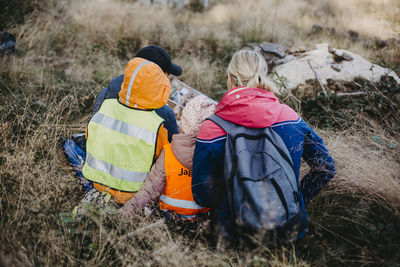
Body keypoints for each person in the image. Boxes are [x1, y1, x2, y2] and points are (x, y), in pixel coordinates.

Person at [191, 49, 336, 246]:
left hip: (234, 235)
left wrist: (229, 206)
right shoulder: (290, 118)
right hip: (289, 231)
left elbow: (202, 192)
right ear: (262, 76)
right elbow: (325, 167)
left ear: (230, 79)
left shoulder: (212, 127)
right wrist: (296, 199)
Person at [82, 54, 173, 204]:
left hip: (96, 182)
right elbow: (160, 157)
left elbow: (88, 135)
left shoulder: (107, 106)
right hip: (130, 193)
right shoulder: (156, 124)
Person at [120, 95, 215, 220]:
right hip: (200, 218)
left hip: (169, 216)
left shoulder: (169, 152)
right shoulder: (215, 155)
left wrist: (124, 213)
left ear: (184, 120)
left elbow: (151, 189)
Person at [92, 45, 181, 142]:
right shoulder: (164, 112)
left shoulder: (107, 92)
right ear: (156, 75)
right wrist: (176, 123)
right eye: (166, 76)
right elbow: (172, 144)